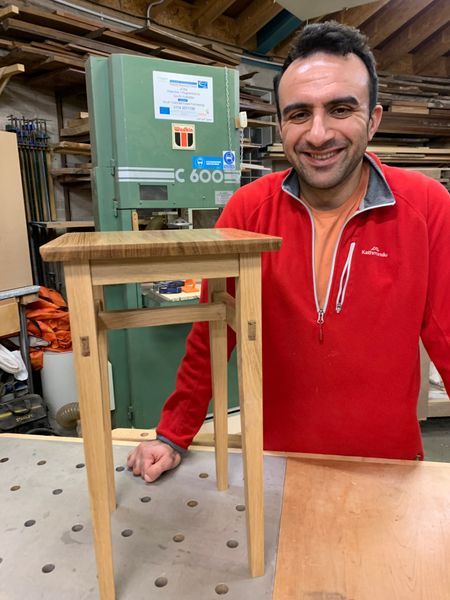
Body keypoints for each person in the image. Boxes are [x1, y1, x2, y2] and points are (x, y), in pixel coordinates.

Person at [128, 21, 450, 482]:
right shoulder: (247, 211)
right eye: (299, 114)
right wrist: (173, 433)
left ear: (373, 119)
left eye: (340, 109)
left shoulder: (425, 209)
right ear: (281, 124)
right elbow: (212, 334)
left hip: (388, 469)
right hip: (275, 466)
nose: (318, 134)